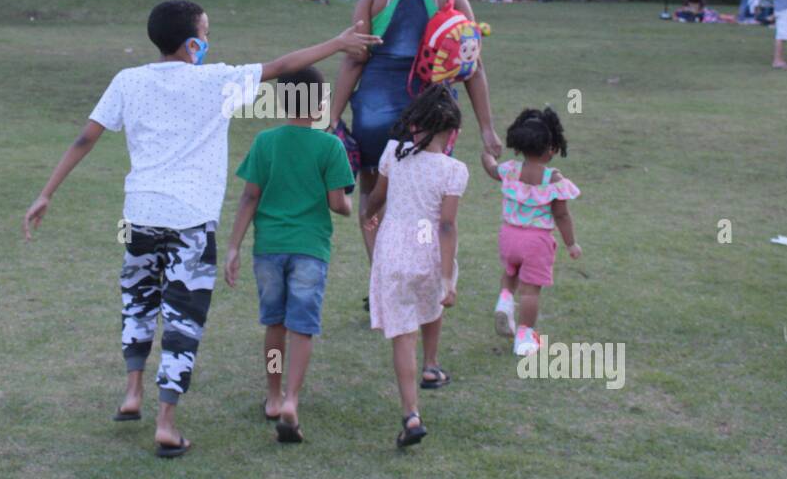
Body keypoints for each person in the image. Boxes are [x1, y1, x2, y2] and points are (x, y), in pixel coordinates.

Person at [22, 1, 380, 458]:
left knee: (138, 300)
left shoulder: (127, 81)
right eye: (206, 32)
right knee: (182, 319)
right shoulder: (217, 81)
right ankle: (166, 424)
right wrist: (338, 43)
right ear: (193, 42)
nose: (209, 41)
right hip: (191, 220)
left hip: (142, 213)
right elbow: (283, 67)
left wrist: (47, 192)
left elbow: (85, 138)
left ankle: (133, 392)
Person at [327, 0, 503, 312]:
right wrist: (488, 128)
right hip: (431, 117)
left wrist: (333, 117)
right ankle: (424, 284)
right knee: (427, 204)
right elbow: (472, 66)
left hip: (374, 111)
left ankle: (383, 284)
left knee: (375, 197)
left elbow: (354, 59)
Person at [224, 66, 355, 443]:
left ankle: (272, 394)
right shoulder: (331, 146)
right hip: (310, 249)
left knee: (275, 325)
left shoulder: (266, 142)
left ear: (282, 102)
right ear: (319, 106)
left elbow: (250, 197)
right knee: (303, 327)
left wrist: (233, 246)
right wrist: (349, 204)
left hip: (268, 248)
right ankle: (293, 400)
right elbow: (337, 204)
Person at [359, 85, 469, 448]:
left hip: (393, 254)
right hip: (430, 253)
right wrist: (447, 277)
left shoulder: (394, 152)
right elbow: (447, 225)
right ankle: (432, 365)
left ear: (415, 125)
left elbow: (377, 199)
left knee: (403, 334)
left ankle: (411, 413)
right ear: (451, 132)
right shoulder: (454, 171)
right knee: (432, 302)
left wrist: (370, 217)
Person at [485, 108, 580, 357]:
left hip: (508, 236)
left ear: (519, 145)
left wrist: (488, 156)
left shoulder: (511, 169)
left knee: (510, 273)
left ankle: (505, 298)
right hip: (536, 241)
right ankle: (525, 336)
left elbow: (492, 169)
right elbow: (561, 214)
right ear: (551, 148)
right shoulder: (552, 178)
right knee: (530, 291)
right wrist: (571, 244)